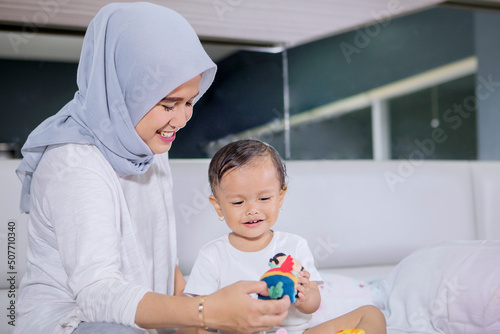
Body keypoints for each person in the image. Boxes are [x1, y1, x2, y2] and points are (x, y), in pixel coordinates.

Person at [14, 3, 290, 334]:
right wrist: (206, 311)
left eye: (189, 102)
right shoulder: (75, 165)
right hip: (73, 324)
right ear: (123, 91)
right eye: (167, 105)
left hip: (137, 321)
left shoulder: (148, 144)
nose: (182, 119)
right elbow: (96, 295)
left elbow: (160, 254)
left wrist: (202, 318)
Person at [184, 139, 386, 334]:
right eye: (238, 203)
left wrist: (306, 295)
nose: (252, 210)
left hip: (296, 332)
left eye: (264, 198)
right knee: (192, 329)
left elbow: (312, 305)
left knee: (371, 313)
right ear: (218, 206)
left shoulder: (294, 245)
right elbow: (201, 313)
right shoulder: (212, 255)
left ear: (280, 197)